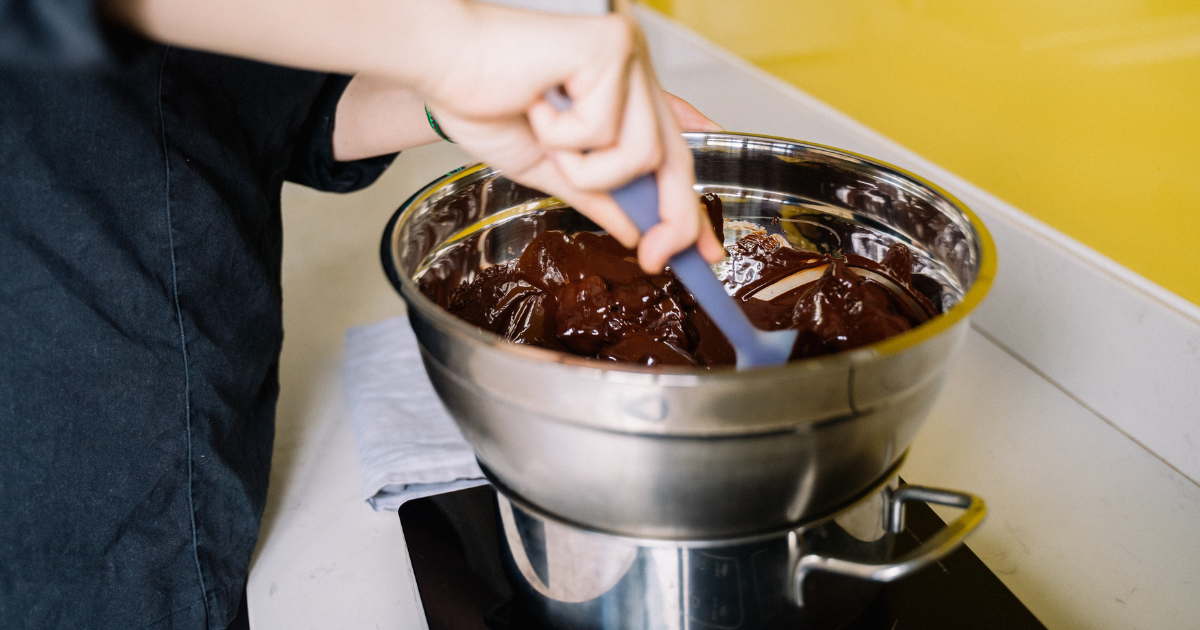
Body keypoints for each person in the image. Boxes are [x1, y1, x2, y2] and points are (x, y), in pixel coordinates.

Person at [0, 0, 722, 627]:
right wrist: (453, 44)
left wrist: (453, 99)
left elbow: (242, 104)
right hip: (59, 487)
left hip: (197, 453)